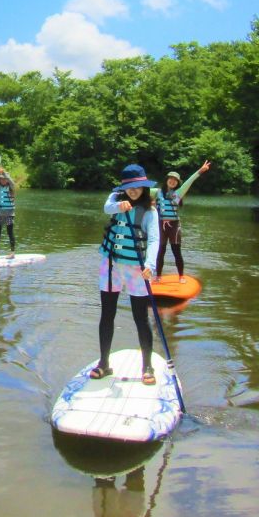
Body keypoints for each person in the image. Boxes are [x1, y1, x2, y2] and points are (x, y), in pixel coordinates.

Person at [91, 164, 161, 385]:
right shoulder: (115, 201)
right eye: (129, 187)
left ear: (144, 187)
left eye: (138, 187)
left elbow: (153, 240)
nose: (133, 191)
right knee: (107, 314)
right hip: (110, 265)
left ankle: (147, 366)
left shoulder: (149, 212)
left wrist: (150, 264)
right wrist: (119, 205)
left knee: (140, 317)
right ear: (124, 187)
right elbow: (107, 208)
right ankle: (104, 363)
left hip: (137, 269)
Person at [153, 160, 211, 279]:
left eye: (175, 180)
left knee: (176, 251)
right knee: (160, 251)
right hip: (160, 225)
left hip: (174, 225)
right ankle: (158, 276)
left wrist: (201, 170)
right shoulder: (157, 192)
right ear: (166, 180)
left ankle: (181, 277)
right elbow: (140, 192)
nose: (172, 181)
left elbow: (190, 180)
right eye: (171, 179)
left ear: (177, 183)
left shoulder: (179, 193)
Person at [0, 167, 16, 257]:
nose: (3, 180)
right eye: (1, 179)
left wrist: (4, 172)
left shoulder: (10, 187)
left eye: (4, 179)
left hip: (9, 214)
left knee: (10, 233)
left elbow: (11, 182)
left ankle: (12, 253)